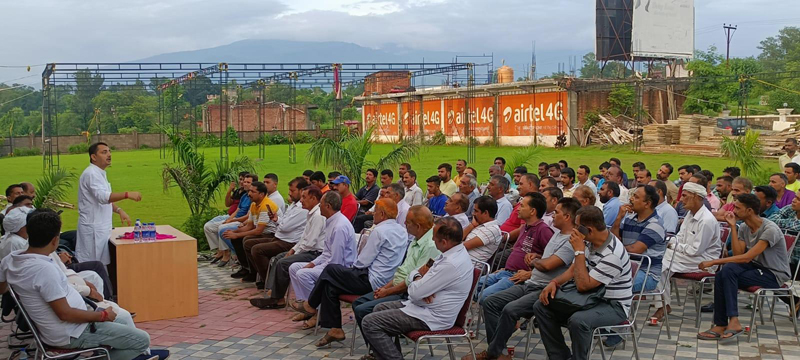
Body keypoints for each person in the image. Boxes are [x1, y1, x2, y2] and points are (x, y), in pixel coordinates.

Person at [0, 209, 168, 360]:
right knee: (141, 340)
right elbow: (64, 314)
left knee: (123, 322)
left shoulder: (11, 259)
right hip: (72, 333)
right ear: (55, 240)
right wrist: (101, 315)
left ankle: (134, 355)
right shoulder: (43, 269)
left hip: (69, 325)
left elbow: (2, 288)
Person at [472, 198, 581, 360]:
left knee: (510, 309)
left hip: (544, 289)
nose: (552, 216)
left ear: (566, 217)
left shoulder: (570, 241)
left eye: (556, 213)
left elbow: (548, 265)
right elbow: (547, 258)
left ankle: (493, 353)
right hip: (529, 283)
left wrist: (535, 262)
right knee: (490, 301)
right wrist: (538, 256)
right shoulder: (558, 234)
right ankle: (499, 352)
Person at [294, 199, 408, 347]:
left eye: (375, 211)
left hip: (371, 280)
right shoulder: (402, 230)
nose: (373, 214)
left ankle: (310, 304)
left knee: (331, 269)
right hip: (386, 278)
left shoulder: (379, 231)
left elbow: (363, 261)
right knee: (330, 285)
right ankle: (335, 329)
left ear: (382, 213)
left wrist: (354, 266)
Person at [361, 217, 473, 360]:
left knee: (370, 322)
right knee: (379, 309)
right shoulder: (453, 252)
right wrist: (419, 279)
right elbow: (419, 272)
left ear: (444, 242)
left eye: (435, 239)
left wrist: (418, 281)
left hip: (432, 316)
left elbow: (413, 292)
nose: (432, 241)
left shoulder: (451, 263)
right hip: (423, 307)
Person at [533, 206, 633, 360]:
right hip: (590, 297)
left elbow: (583, 285)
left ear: (589, 230)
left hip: (612, 304)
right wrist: (554, 282)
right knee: (541, 306)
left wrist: (578, 251)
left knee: (578, 321)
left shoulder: (613, 254)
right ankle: (559, 356)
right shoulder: (588, 242)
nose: (574, 230)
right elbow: (573, 270)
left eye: (577, 226)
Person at [696, 193, 792, 341]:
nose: (733, 211)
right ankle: (727, 322)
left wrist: (713, 262)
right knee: (726, 272)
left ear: (749, 211)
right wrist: (733, 227)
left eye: (737, 208)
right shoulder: (744, 227)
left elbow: (746, 257)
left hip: (773, 274)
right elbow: (739, 254)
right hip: (755, 267)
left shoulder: (769, 229)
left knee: (726, 274)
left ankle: (726, 322)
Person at [352, 206, 440, 356]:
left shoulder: (430, 245)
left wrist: (388, 291)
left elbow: (414, 281)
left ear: (417, 226)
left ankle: (383, 353)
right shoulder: (416, 239)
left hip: (408, 294)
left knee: (365, 312)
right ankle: (381, 352)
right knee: (358, 304)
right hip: (397, 287)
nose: (404, 225)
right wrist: (385, 288)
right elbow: (403, 272)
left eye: (407, 223)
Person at [651, 182, 721, 322]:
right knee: (657, 259)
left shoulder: (706, 220)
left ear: (696, 197)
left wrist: (672, 246)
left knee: (659, 261)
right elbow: (679, 238)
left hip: (703, 260)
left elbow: (695, 250)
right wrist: (672, 244)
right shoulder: (690, 214)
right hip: (685, 255)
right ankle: (663, 304)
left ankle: (663, 304)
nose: (680, 199)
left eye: (684, 195)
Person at [250, 186, 326, 310]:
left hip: (315, 253)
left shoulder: (317, 216)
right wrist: (292, 250)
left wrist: (294, 252)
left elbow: (309, 243)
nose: (301, 200)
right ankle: (273, 292)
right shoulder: (310, 213)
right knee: (280, 257)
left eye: (304, 197)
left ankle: (277, 298)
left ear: (313, 199)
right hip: (304, 247)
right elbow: (304, 238)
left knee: (283, 262)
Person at [288, 191, 357, 328]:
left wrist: (314, 267)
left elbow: (336, 262)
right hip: (330, 264)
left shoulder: (339, 226)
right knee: (294, 267)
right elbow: (327, 253)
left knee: (302, 274)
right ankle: (307, 306)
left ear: (328, 206)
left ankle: (316, 311)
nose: (319, 207)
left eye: (321, 204)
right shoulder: (331, 222)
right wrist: (312, 264)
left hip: (341, 270)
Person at [475, 193, 554, 302]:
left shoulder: (543, 230)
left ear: (532, 211)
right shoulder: (525, 227)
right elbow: (517, 250)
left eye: (522, 206)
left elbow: (551, 259)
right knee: (471, 286)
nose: (517, 209)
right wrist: (505, 268)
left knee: (484, 296)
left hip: (518, 277)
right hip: (506, 272)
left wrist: (531, 274)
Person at [75, 142, 141, 265]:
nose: (109, 155)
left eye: (109, 151)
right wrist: (127, 194)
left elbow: (102, 200)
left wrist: (119, 210)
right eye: (104, 152)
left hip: (101, 227)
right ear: (93, 157)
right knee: (93, 267)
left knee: (101, 266)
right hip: (94, 229)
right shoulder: (91, 174)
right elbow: (103, 197)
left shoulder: (99, 173)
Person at [248, 177, 310, 288]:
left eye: (292, 191)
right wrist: (277, 220)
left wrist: (278, 221)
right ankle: (263, 276)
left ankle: (271, 283)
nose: (289, 194)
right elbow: (283, 223)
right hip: (280, 237)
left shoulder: (302, 208)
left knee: (257, 249)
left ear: (301, 191)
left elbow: (285, 227)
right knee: (248, 242)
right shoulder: (294, 205)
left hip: (289, 242)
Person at [610, 185, 666, 293]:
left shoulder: (655, 224)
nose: (631, 199)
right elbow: (614, 240)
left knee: (614, 286)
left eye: (635, 197)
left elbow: (635, 249)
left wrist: (614, 249)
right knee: (599, 280)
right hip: (626, 267)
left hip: (647, 273)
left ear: (647, 203)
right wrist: (618, 219)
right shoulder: (629, 219)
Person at [226, 181, 280, 281]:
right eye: (249, 191)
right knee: (238, 239)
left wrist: (237, 235)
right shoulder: (254, 205)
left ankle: (259, 274)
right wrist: (235, 232)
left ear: (261, 194)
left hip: (271, 235)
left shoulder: (266, 205)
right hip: (263, 233)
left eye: (252, 192)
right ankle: (248, 269)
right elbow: (249, 226)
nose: (249, 194)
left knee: (247, 241)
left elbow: (258, 231)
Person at [204, 173, 252, 266]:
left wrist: (231, 220)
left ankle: (227, 253)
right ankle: (221, 250)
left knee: (222, 228)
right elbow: (229, 205)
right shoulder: (241, 193)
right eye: (242, 180)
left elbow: (248, 215)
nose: (243, 183)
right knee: (208, 227)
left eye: (246, 181)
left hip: (240, 220)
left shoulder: (251, 196)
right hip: (231, 216)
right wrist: (229, 190)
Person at [463, 196, 502, 264]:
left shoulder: (492, 230)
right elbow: (458, 239)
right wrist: (472, 225)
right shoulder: (479, 224)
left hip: (470, 266)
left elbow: (463, 246)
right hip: (462, 261)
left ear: (485, 213)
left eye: (476, 211)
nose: (473, 214)